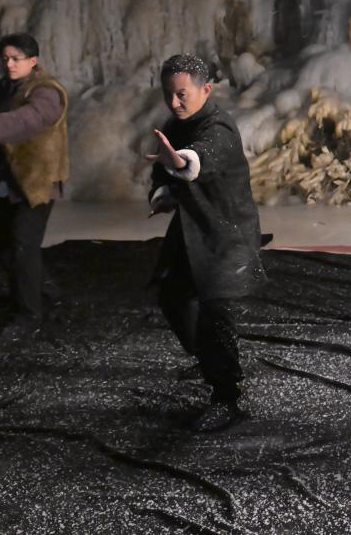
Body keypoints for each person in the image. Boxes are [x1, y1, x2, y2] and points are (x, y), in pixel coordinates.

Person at [146, 54, 264, 432]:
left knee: (215, 314)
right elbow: (161, 171)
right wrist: (163, 193)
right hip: (191, 228)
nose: (174, 102)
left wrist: (181, 163)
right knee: (173, 297)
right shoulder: (174, 124)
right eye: (168, 94)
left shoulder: (220, 126)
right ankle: (207, 358)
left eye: (182, 94)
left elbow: (201, 157)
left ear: (206, 90)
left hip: (227, 234)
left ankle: (226, 397)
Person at [0, 33, 69, 340]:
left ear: (33, 61)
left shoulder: (46, 92)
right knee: (4, 245)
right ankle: (46, 291)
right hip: (4, 181)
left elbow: (31, 118)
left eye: (16, 58)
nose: (9, 64)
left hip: (35, 182)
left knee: (23, 246)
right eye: (5, 58)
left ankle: (28, 315)